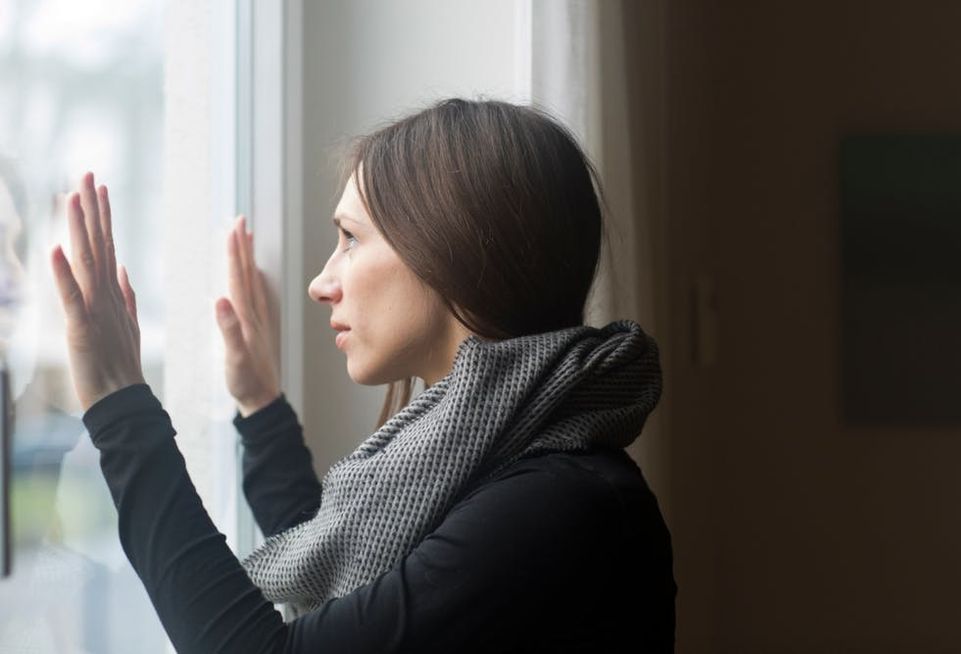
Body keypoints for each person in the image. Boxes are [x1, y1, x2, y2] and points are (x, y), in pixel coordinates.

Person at [48, 98, 676, 653]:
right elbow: (341, 574)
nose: (322, 283)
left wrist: (118, 404)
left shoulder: (559, 508)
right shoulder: (499, 461)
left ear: (448, 248)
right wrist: (261, 406)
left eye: (350, 237)